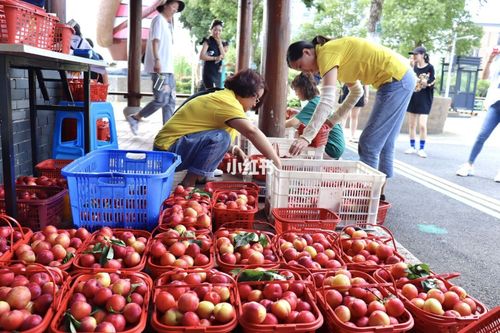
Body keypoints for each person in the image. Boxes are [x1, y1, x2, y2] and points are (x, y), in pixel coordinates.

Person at [286, 36, 416, 199]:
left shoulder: (327, 52)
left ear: (307, 52)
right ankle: (379, 195)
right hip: (400, 78)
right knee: (384, 143)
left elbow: (326, 100)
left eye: (301, 66)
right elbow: (357, 92)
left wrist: (307, 137)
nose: (306, 72)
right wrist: (333, 121)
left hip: (396, 80)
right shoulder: (336, 58)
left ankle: (364, 199)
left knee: (369, 144)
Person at [153, 69, 282, 187]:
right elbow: (251, 132)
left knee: (222, 137)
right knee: (222, 137)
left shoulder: (226, 97)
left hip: (169, 149)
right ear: (248, 92)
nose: (254, 104)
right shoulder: (227, 102)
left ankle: (199, 176)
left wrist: (235, 150)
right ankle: (189, 182)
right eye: (256, 99)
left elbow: (203, 133)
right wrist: (276, 161)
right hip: (167, 152)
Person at [126, 0, 185, 135]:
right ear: (165, 5)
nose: (175, 10)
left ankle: (167, 133)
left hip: (168, 70)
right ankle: (136, 117)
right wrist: (157, 60)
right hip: (159, 69)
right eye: (173, 6)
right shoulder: (158, 20)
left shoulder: (168, 24)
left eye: (177, 8)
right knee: (161, 99)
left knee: (170, 101)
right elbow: (155, 41)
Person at [456, 48, 500, 182]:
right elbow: (484, 77)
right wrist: (490, 60)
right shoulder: (497, 61)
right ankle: (469, 164)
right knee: (482, 134)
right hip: (495, 103)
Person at [286, 73, 345, 159]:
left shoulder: (313, 103)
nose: (296, 94)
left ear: (303, 89)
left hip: (332, 149)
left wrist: (275, 124)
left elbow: (293, 122)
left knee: (298, 136)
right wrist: (298, 113)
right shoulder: (317, 100)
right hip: (337, 146)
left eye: (296, 90)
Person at [405, 46, 435, 158]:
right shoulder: (412, 67)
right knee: (411, 124)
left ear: (422, 55)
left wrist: (424, 82)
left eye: (416, 54)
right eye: (413, 54)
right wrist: (411, 67)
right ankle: (412, 146)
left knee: (422, 125)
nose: (414, 56)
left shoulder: (430, 68)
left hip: (425, 99)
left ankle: (421, 148)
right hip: (413, 97)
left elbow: (431, 82)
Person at [199, 19, 227, 90]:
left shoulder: (221, 42)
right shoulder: (207, 41)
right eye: (215, 30)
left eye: (219, 30)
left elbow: (223, 56)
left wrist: (219, 44)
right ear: (211, 30)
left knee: (217, 93)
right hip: (208, 72)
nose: (217, 32)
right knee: (210, 92)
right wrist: (215, 58)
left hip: (217, 73)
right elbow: (202, 56)